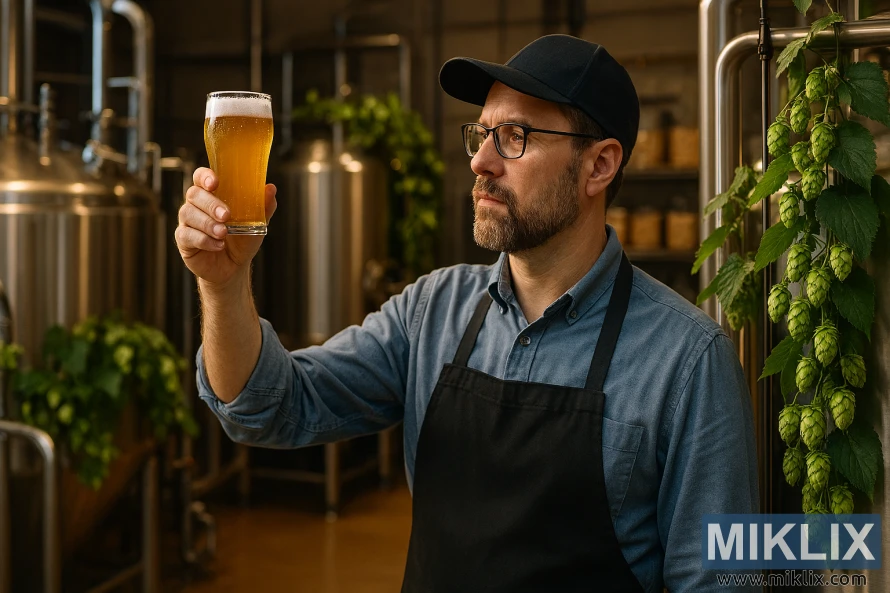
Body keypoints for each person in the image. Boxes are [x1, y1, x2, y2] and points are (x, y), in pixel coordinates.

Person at [176, 34, 759, 592]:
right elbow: (267, 407)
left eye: (513, 136)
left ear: (599, 166)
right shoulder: (432, 311)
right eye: (481, 134)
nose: (480, 161)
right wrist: (224, 286)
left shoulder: (688, 362)